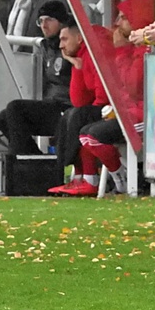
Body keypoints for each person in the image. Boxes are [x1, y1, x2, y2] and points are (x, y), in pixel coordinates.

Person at [77, 0, 155, 195]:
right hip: (129, 110)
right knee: (85, 132)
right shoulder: (132, 48)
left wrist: (121, 51)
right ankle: (121, 175)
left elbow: (134, 87)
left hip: (146, 115)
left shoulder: (147, 49)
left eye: (123, 17)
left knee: (94, 136)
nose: (117, 23)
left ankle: (125, 179)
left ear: (137, 20)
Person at [0, 0, 75, 155]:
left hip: (67, 107)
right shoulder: (46, 47)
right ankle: (35, 160)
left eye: (49, 20)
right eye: (41, 21)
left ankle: (25, 164)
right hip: (52, 104)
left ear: (62, 22)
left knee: (15, 108)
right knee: (4, 118)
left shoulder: (70, 44)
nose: (44, 25)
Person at [47, 19, 109, 194]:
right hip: (100, 106)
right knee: (71, 114)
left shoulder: (95, 54)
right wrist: (76, 66)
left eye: (65, 39)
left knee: (79, 117)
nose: (60, 45)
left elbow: (103, 96)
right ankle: (78, 177)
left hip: (112, 109)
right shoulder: (83, 56)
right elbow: (78, 100)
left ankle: (88, 178)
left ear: (80, 38)